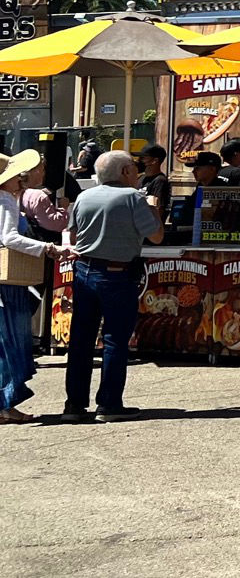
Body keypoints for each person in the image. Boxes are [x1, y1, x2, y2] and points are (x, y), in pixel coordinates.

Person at [63, 150, 162, 423]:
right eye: (133, 167)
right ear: (124, 172)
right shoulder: (133, 198)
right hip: (117, 275)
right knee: (115, 340)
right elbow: (156, 235)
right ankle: (108, 404)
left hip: (84, 270)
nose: (136, 171)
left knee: (81, 340)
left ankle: (74, 404)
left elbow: (72, 235)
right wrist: (154, 207)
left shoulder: (84, 197)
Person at [0, 151, 53, 423]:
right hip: (8, 283)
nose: (20, 180)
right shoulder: (6, 200)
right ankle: (4, 404)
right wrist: (46, 247)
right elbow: (9, 238)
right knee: (11, 343)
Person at [137, 145, 171, 223]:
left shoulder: (160, 180)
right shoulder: (141, 178)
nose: (139, 161)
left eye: (143, 158)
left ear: (154, 161)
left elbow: (158, 209)